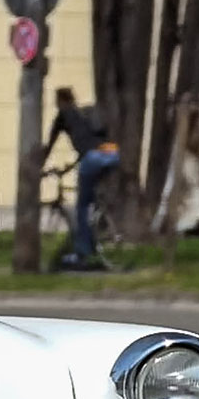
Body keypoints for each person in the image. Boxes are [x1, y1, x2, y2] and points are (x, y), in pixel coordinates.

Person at [46, 86, 115, 271]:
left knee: (81, 206)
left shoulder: (63, 116)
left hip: (92, 157)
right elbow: (91, 140)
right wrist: (71, 165)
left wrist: (40, 168)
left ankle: (81, 252)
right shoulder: (85, 112)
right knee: (89, 195)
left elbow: (49, 145)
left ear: (60, 101)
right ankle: (98, 226)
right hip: (111, 153)